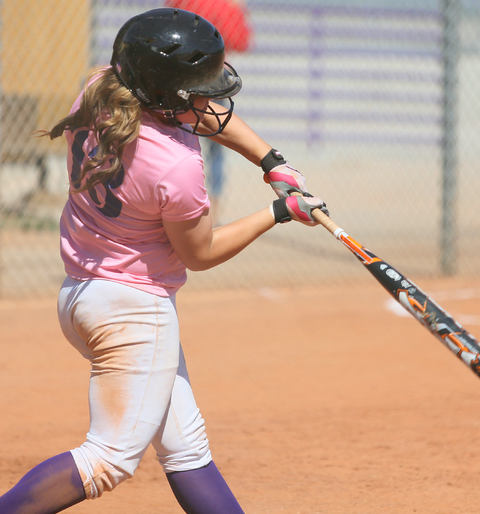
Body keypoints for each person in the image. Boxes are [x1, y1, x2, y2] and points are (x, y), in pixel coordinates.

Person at [0, 7, 327, 514]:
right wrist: (278, 212)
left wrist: (272, 162)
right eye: (197, 90)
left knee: (186, 448)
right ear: (167, 96)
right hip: (134, 314)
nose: (209, 100)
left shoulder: (100, 89)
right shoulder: (176, 165)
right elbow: (201, 254)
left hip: (82, 295)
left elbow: (191, 113)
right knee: (108, 458)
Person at [165, 0, 253, 225]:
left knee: (177, 137)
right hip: (212, 79)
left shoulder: (185, 2)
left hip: (179, 76)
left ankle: (177, 202)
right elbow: (242, 42)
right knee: (217, 143)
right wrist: (236, 11)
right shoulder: (226, 6)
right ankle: (212, 209)